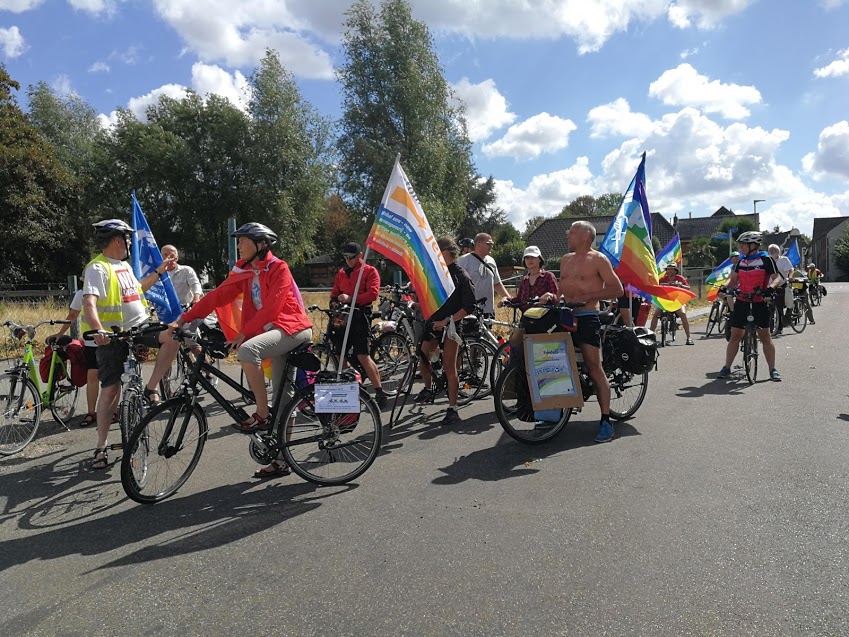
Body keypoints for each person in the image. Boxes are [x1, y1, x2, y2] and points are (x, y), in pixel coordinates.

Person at [177, 223, 313, 450]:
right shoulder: (246, 270)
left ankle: (262, 412)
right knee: (284, 400)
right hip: (272, 333)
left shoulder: (279, 268)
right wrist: (184, 319)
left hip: (292, 328)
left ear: (260, 244)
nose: (238, 245)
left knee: (248, 351)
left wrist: (244, 333)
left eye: (242, 240)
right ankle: (281, 459)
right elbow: (217, 296)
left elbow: (272, 308)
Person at [82, 219, 181, 470]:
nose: (129, 244)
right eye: (127, 239)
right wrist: (98, 330)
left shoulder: (123, 265)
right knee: (110, 390)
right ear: (118, 240)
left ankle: (150, 388)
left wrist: (160, 271)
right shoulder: (98, 267)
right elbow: (90, 303)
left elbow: (139, 290)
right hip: (112, 335)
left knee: (173, 337)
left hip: (139, 327)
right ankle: (101, 446)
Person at [557, 220, 624, 443]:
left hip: (587, 317)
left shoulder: (598, 259)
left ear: (586, 235)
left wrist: (590, 297)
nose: (568, 235)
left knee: (594, 366)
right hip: (565, 315)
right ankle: (553, 410)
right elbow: (561, 288)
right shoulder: (565, 260)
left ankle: (606, 421)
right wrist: (551, 297)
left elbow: (617, 288)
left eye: (572, 231)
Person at [413, 237, 476, 426]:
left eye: (437, 252)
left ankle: (452, 408)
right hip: (434, 323)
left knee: (449, 366)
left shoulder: (461, 275)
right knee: (422, 355)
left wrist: (448, 320)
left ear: (446, 253)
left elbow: (469, 306)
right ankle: (427, 389)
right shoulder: (435, 273)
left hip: (452, 325)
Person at [716, 231, 782, 381]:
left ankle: (773, 369)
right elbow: (733, 280)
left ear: (753, 246)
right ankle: (726, 367)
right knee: (735, 335)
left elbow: (777, 277)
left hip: (760, 301)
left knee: (765, 336)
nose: (740, 248)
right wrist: (723, 287)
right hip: (742, 300)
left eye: (743, 245)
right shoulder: (741, 262)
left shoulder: (766, 260)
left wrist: (770, 288)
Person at [330, 242, 389, 409]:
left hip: (361, 315)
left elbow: (372, 294)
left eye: (351, 257)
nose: (348, 261)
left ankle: (379, 390)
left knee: (362, 355)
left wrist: (351, 299)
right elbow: (335, 293)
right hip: (343, 317)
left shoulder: (370, 271)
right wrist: (334, 303)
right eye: (346, 258)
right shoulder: (341, 273)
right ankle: (351, 388)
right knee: (340, 354)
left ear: (360, 255)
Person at [48, 288, 98, 427]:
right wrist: (60, 333)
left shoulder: (111, 288)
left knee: (114, 378)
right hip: (91, 341)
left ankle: (113, 410)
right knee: (93, 375)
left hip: (112, 339)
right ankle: (91, 412)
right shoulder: (82, 294)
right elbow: (73, 315)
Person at [501, 245, 559, 348]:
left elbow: (557, 298)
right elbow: (519, 299)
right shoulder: (524, 280)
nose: (530, 260)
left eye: (533, 257)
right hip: (527, 321)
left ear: (540, 259)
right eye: (527, 258)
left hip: (544, 322)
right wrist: (506, 300)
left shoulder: (548, 277)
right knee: (516, 347)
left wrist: (550, 295)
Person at [457, 233, 510, 319]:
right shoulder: (464, 260)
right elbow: (456, 285)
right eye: (488, 244)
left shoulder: (491, 261)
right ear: (478, 243)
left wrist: (509, 298)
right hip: (469, 311)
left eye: (492, 244)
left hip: (488, 311)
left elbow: (497, 284)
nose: (491, 246)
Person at [648, 263, 694, 345]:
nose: (669, 271)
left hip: (677, 301)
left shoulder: (680, 278)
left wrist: (680, 285)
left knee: (682, 314)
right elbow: (656, 286)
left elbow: (688, 288)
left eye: (671, 269)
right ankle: (650, 336)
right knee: (656, 314)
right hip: (665, 301)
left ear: (675, 271)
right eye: (668, 269)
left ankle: (688, 337)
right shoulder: (663, 279)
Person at [767, 244, 793, 333]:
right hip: (770, 286)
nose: (771, 252)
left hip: (781, 286)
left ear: (778, 251)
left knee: (779, 306)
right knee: (769, 308)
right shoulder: (768, 261)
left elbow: (790, 270)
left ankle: (779, 327)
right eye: (770, 251)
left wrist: (790, 277)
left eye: (773, 251)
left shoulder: (783, 260)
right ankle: (770, 327)